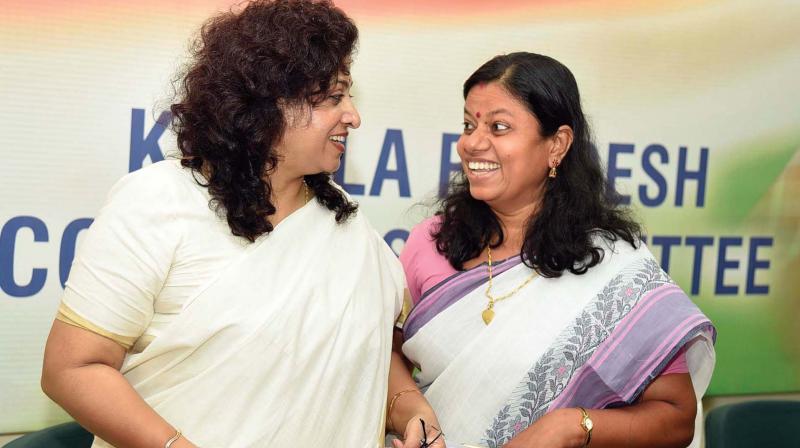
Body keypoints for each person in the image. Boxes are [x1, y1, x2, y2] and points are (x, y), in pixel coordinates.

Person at [40, 1, 438, 446]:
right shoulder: (158, 201)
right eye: (331, 97)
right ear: (266, 102)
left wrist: (410, 409)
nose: (353, 116)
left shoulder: (344, 221)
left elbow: (367, 358)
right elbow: (72, 369)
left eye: (348, 95)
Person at [397, 52, 716, 448]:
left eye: (498, 126)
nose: (471, 143)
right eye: (468, 124)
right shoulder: (430, 243)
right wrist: (412, 409)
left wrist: (571, 427)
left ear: (557, 145)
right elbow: (387, 355)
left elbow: (676, 417)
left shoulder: (611, 265)